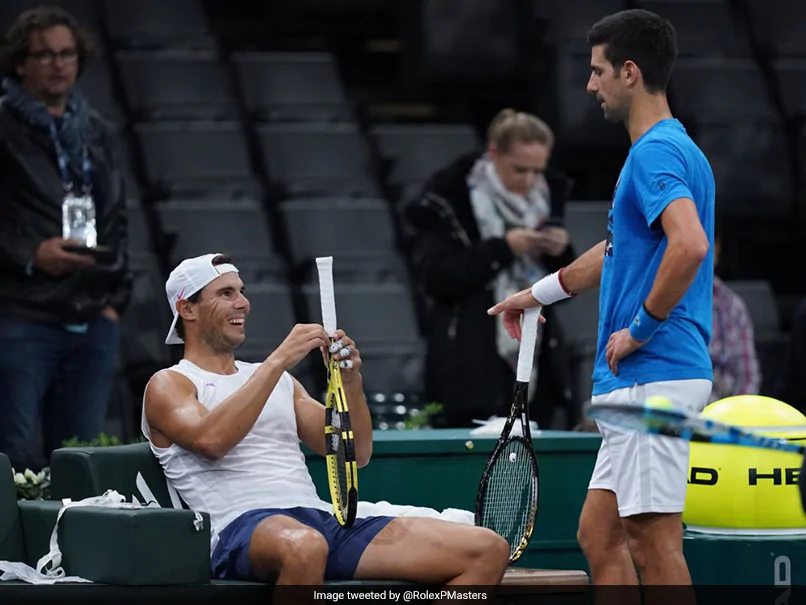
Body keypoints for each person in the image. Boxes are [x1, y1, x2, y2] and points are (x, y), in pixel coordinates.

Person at [488, 10, 715, 586]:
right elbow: (614, 250)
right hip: (637, 381)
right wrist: (534, 296)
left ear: (630, 73)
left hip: (653, 374)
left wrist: (641, 327)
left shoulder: (654, 154)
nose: (590, 86)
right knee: (600, 534)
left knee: (654, 543)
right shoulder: (668, 150)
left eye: (597, 72)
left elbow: (688, 245)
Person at [141, 253, 510, 586]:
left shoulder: (281, 382)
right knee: (304, 546)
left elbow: (353, 452)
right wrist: (278, 360)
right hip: (239, 527)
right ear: (186, 309)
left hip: (319, 520)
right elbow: (212, 441)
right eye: (225, 293)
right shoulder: (170, 383)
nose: (243, 303)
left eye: (241, 290)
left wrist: (351, 381)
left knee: (487, 549)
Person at [0, 7, 131, 473]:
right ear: (20, 62)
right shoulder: (5, 126)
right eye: (45, 55)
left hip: (92, 314)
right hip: (21, 314)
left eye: (67, 54)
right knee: (13, 457)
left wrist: (115, 298)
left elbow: (118, 218)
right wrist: (31, 256)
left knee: (80, 459)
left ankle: (74, 548)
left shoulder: (97, 131)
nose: (58, 64)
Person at [402, 109, 576, 429]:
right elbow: (435, 279)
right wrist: (503, 249)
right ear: (494, 154)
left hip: (537, 359)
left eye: (538, 171)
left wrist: (560, 253)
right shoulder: (446, 199)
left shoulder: (548, 198)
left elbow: (562, 293)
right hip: (469, 364)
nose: (529, 181)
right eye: (519, 169)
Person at [709, 218, 761, 403]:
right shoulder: (662, 302)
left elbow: (748, 376)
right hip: (681, 414)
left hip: (726, 418)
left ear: (718, 247)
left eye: (709, 241)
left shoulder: (732, 306)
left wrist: (737, 418)